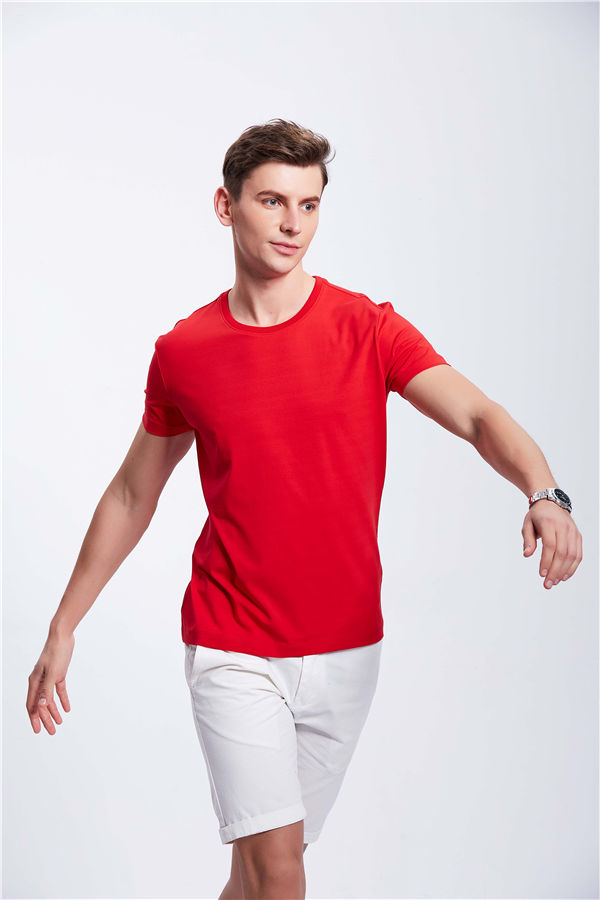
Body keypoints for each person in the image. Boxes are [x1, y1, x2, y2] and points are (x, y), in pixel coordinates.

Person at [26, 118, 583, 900]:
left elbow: (477, 415)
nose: (293, 224)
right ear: (226, 206)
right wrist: (63, 625)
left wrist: (544, 492)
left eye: (310, 205)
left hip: (348, 649)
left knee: (257, 878)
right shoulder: (185, 352)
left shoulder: (367, 327)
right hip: (233, 641)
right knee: (280, 872)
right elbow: (131, 493)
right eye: (273, 201)